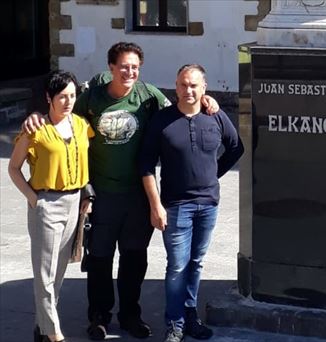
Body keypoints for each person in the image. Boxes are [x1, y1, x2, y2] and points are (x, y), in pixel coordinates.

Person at [22, 42, 220, 340]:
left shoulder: (148, 96)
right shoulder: (92, 96)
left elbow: (181, 107)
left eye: (135, 67)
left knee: (134, 258)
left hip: (137, 196)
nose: (129, 72)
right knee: (100, 258)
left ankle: (130, 315)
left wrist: (208, 100)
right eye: (124, 66)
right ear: (111, 67)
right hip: (100, 194)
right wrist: (35, 114)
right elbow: (61, 103)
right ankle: (99, 317)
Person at [139, 64, 243, 342]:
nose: (188, 90)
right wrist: (155, 205)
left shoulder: (215, 116)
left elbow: (236, 147)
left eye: (194, 85)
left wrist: (213, 174)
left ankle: (190, 316)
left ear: (204, 88)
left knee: (195, 263)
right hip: (175, 206)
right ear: (176, 86)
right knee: (177, 266)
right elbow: (146, 165)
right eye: (183, 84)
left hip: (209, 204)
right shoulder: (162, 121)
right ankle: (174, 323)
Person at [8, 70, 94, 342]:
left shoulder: (81, 125)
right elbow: (13, 168)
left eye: (72, 95)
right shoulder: (35, 129)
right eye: (61, 96)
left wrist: (86, 196)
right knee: (44, 273)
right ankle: (54, 334)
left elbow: (85, 161)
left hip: (74, 203)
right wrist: (35, 200)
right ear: (48, 98)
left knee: (58, 271)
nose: (68, 101)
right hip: (46, 203)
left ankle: (41, 327)